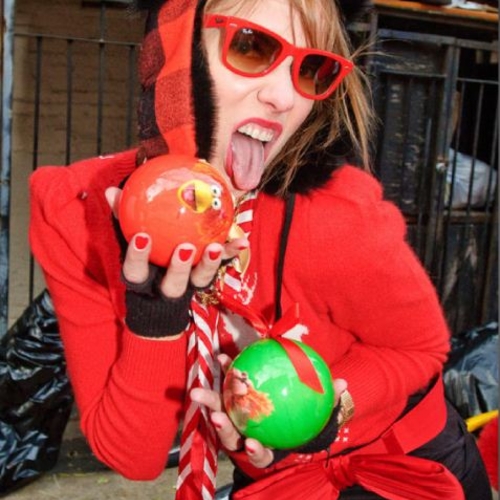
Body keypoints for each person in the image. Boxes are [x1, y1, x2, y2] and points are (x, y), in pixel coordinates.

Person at [29, 0, 491, 499]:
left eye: (311, 69)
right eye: (251, 47)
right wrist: (154, 323)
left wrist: (329, 409)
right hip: (273, 483)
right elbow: (134, 457)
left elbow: (421, 348)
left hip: (406, 470)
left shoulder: (336, 212)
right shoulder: (78, 211)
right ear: (177, 50)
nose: (284, 97)